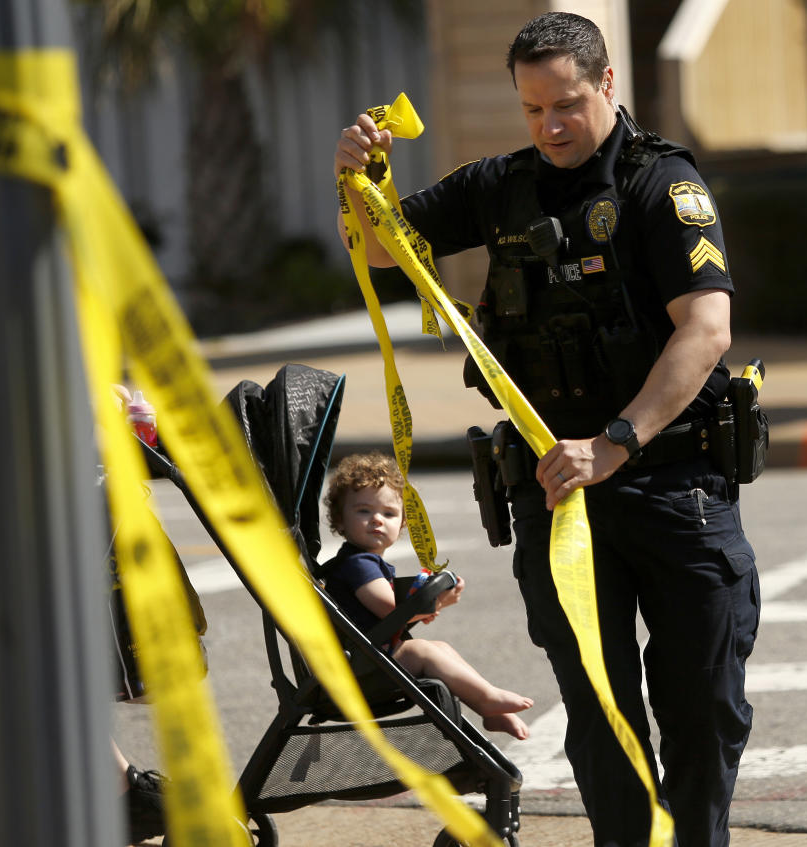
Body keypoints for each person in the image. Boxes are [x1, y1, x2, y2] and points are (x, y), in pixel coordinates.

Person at [333, 12, 760, 847]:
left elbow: (705, 329)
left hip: (671, 480)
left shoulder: (659, 185)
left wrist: (614, 443)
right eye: (532, 109)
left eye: (565, 104)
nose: (550, 126)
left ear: (606, 85)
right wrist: (359, 175)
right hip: (556, 494)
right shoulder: (500, 184)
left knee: (703, 705)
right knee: (601, 715)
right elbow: (385, 250)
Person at [321, 453, 533, 740]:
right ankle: (487, 699)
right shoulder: (357, 564)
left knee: (441, 648)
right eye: (363, 511)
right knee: (422, 651)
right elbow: (391, 610)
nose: (377, 520)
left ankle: (490, 711)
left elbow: (395, 616)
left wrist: (429, 602)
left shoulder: (366, 562)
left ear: (403, 523)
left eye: (388, 513)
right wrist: (436, 602)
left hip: (369, 660)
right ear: (340, 520)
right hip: (360, 670)